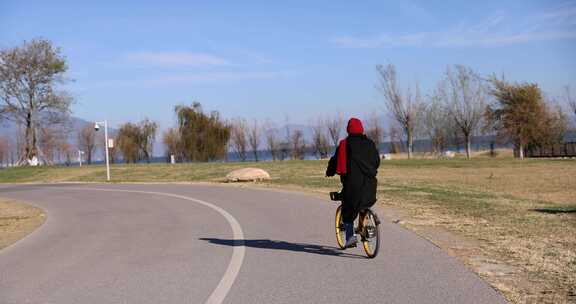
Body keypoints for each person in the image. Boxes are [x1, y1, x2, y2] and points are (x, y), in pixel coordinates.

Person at [326, 118, 380, 248]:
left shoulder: (344, 145)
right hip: (370, 185)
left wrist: (329, 171)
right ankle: (367, 225)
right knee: (365, 203)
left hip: (352, 185)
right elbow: (376, 161)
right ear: (361, 129)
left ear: (348, 130)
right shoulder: (370, 143)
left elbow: (334, 161)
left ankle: (350, 237)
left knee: (348, 209)